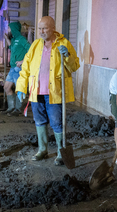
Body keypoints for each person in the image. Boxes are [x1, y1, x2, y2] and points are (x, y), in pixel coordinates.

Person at [15, 16, 80, 165]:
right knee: (39, 121)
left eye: (44, 28)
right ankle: (42, 150)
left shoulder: (64, 43)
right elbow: (26, 67)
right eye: (40, 29)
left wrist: (67, 56)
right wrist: (21, 87)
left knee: (56, 123)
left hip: (54, 92)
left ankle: (60, 152)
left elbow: (74, 66)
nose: (41, 31)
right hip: (36, 91)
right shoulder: (36, 45)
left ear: (53, 28)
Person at [1, 22, 31, 117]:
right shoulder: (14, 40)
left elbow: (30, 50)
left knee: (19, 90)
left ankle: (18, 109)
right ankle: (11, 108)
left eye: (9, 28)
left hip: (19, 69)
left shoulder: (22, 39)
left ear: (14, 29)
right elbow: (12, 47)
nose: (8, 30)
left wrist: (23, 61)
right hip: (13, 68)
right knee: (6, 87)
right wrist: (6, 39)